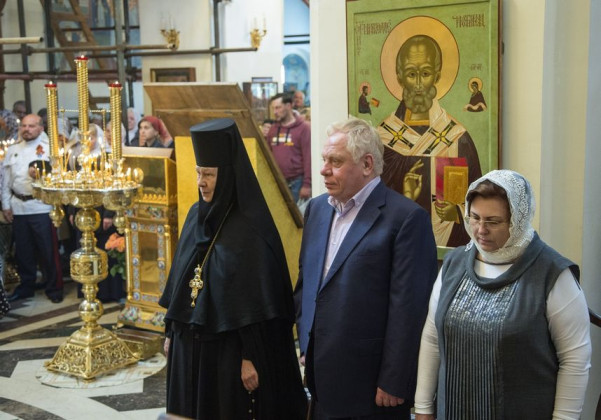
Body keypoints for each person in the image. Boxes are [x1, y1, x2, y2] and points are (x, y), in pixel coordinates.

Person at [159, 118, 307, 419]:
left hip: (228, 354)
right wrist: (171, 331)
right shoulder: (195, 216)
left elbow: (261, 307)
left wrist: (250, 357)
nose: (201, 182)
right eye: (198, 172)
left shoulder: (251, 229)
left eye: (209, 175)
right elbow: (181, 281)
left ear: (227, 175)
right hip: (190, 346)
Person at [414, 170, 591, 420]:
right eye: (475, 218)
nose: (480, 230)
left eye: (493, 221)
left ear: (518, 220)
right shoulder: (454, 264)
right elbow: (433, 338)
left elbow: (575, 359)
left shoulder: (552, 274)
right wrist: (423, 408)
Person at [295, 117, 438, 419]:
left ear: (367, 164)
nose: (323, 169)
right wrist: (307, 341)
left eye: (335, 161)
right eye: (324, 160)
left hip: (372, 387)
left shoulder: (406, 219)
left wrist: (395, 379)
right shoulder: (317, 209)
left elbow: (409, 309)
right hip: (321, 377)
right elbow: (307, 282)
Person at [378, 35, 482, 248]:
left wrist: (457, 212)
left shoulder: (456, 138)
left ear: (437, 75)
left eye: (425, 73)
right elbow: (373, 204)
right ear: (399, 76)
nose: (418, 84)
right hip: (396, 249)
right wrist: (405, 198)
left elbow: (477, 201)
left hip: (447, 252)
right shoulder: (383, 138)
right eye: (411, 74)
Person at [2, 114, 63, 303]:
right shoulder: (13, 150)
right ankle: (26, 286)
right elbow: (5, 181)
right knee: (23, 251)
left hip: (41, 207)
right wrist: (5, 205)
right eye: (24, 126)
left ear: (41, 128)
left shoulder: (49, 149)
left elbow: (59, 178)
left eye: (31, 126)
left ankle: (54, 288)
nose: (26, 129)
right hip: (18, 207)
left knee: (47, 250)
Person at [266, 92, 311, 202]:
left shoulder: (304, 128)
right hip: (277, 182)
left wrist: (307, 184)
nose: (275, 112)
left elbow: (308, 157)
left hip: (297, 182)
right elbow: (267, 155)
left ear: (289, 106)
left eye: (278, 108)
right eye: (273, 108)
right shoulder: (272, 129)